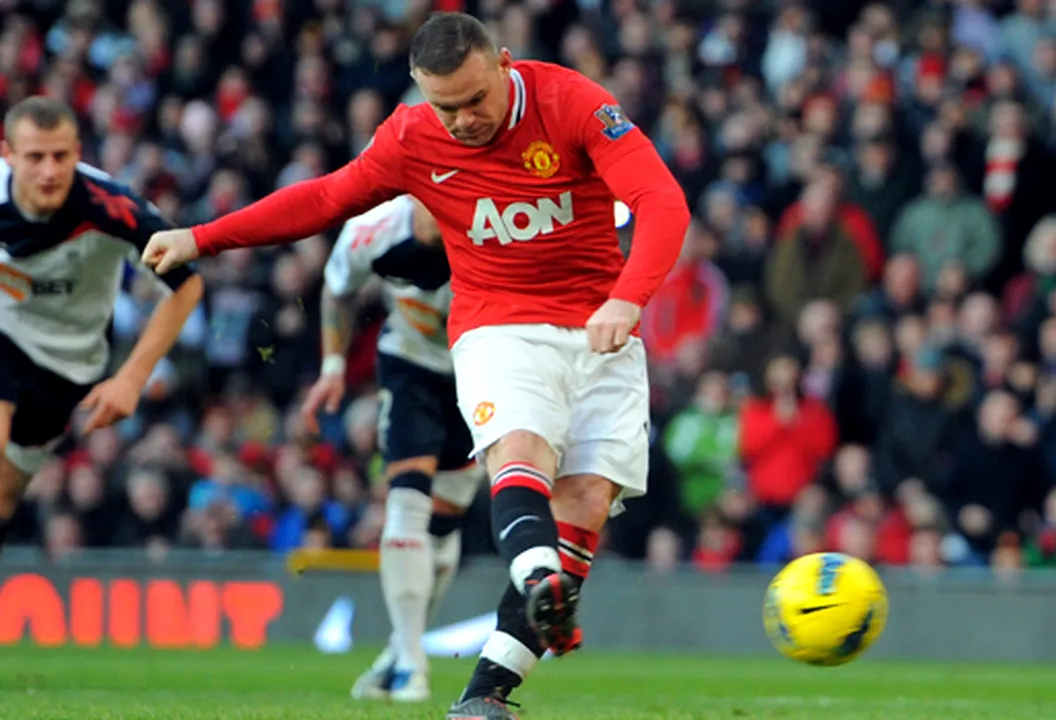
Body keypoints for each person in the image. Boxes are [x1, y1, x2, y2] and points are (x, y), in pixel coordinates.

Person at [140, 12, 690, 719]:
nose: (460, 120)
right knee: (519, 453)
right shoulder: (409, 137)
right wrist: (202, 238)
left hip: (600, 329)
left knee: (582, 506)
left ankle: (485, 692)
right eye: (444, 105)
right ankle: (536, 573)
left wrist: (628, 297)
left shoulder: (572, 102)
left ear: (506, 66)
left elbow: (661, 199)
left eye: (474, 101)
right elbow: (324, 199)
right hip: (498, 327)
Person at [0, 97, 204, 554]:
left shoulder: (113, 210)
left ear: (77, 151)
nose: (49, 171)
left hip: (67, 364)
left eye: (61, 155)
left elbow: (187, 287)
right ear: (8, 155)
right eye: (35, 157)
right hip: (4, 333)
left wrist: (131, 379)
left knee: (6, 496)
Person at [306, 195, 484, 702]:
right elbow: (337, 289)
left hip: (478, 373)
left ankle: (398, 652)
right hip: (409, 365)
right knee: (407, 500)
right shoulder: (372, 231)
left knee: (445, 525)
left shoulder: (494, 224)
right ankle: (412, 666)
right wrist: (334, 366)